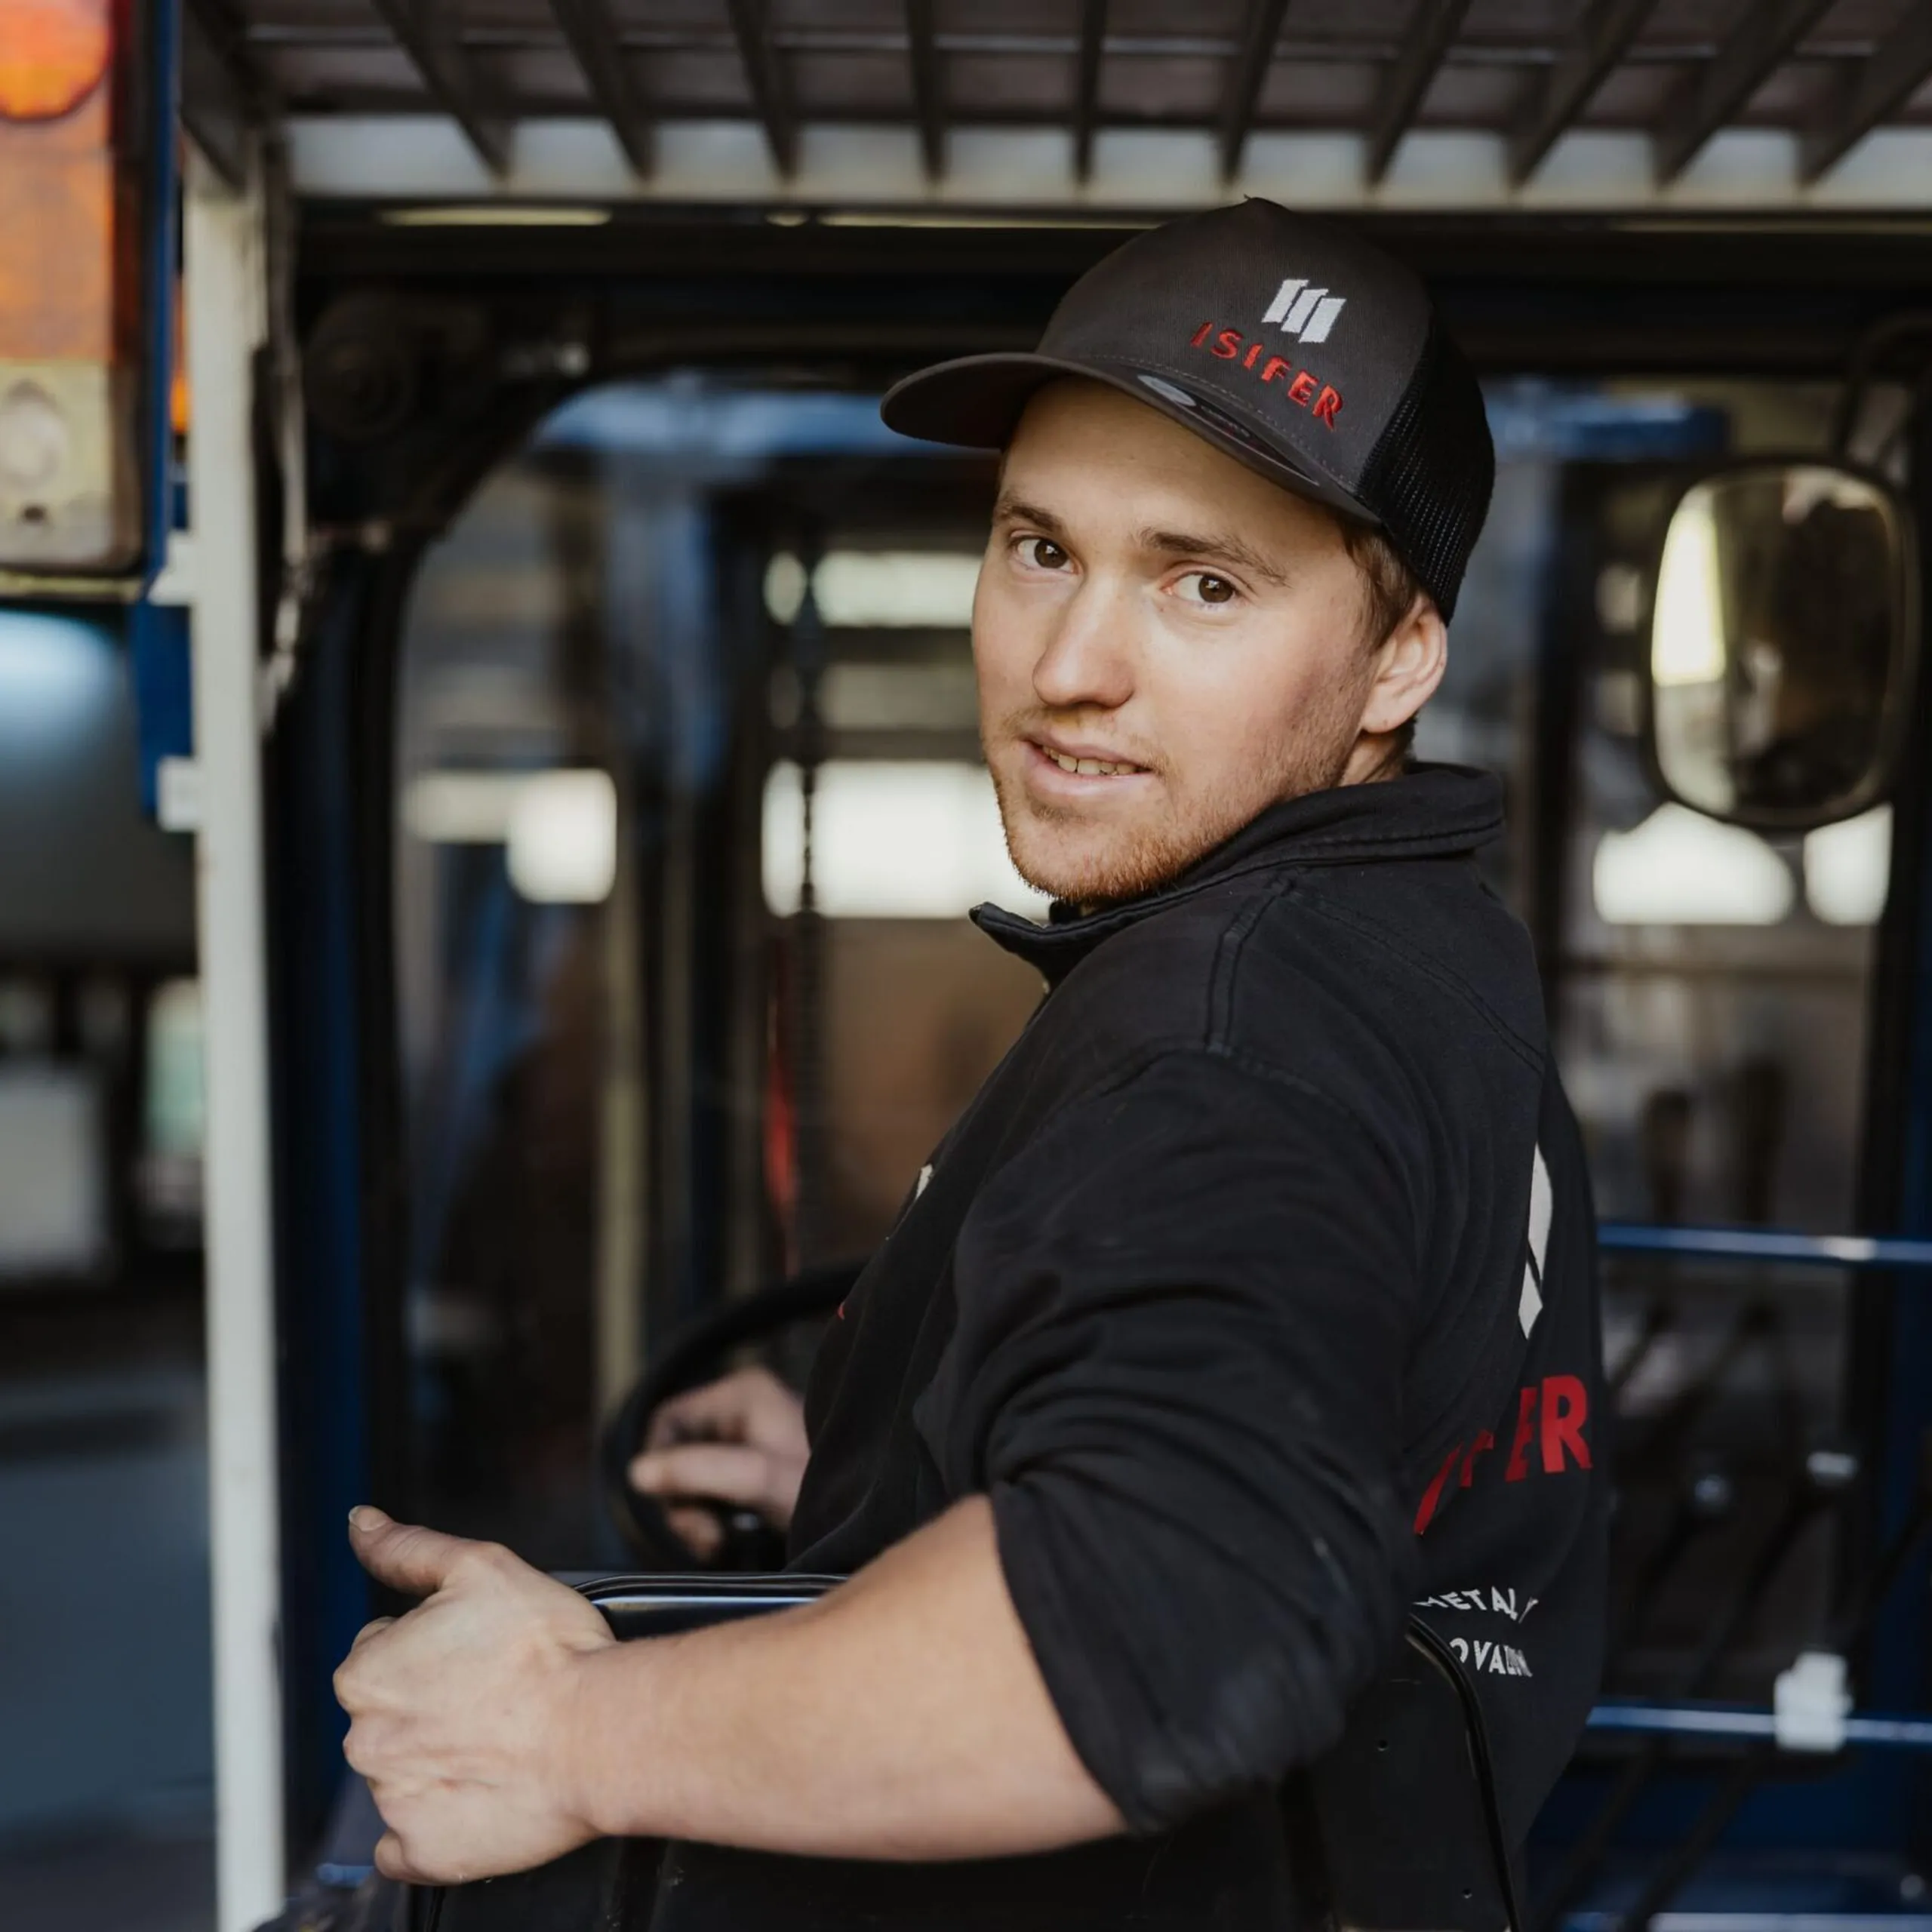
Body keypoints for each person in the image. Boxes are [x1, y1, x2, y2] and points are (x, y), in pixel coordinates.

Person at [334, 198, 1607, 1930]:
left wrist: (564, 1730)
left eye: (1205, 583)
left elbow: (1166, 1620)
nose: (1069, 668)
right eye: (1038, 546)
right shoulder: (1415, 955)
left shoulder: (1234, 1032)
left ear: (1399, 658)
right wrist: (916, 1461)